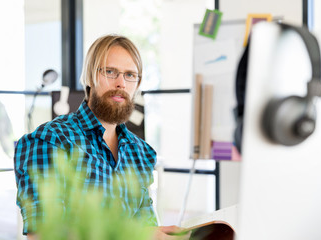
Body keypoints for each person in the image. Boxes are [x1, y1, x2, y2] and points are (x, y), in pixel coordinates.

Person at [14, 34, 190, 240]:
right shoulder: (50, 141)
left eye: (130, 75)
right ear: (90, 77)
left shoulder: (141, 153)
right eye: (110, 71)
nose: (121, 83)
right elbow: (46, 235)